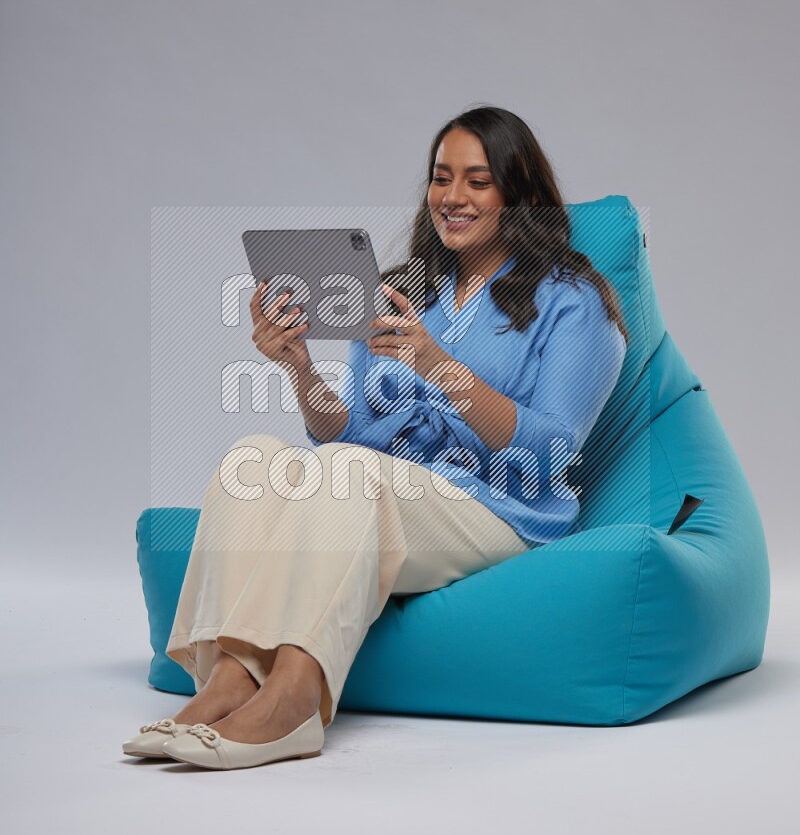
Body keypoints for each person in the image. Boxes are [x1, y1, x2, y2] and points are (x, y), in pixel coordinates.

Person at [122, 105, 629, 770]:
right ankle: (224, 682)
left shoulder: (573, 299)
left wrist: (439, 366)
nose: (452, 197)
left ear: (520, 194)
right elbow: (355, 433)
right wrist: (301, 369)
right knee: (253, 458)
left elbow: (553, 451)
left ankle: (293, 704)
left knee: (347, 473)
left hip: (502, 508)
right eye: (441, 177)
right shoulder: (402, 289)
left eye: (477, 181)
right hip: (386, 493)